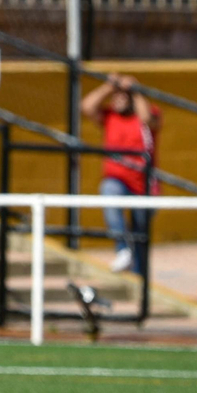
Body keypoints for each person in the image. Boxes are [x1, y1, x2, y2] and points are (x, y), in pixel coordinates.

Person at [81, 73, 160, 274]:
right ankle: (122, 250)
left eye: (122, 96)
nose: (117, 99)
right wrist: (109, 86)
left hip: (144, 185)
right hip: (118, 180)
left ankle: (140, 288)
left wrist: (135, 90)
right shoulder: (110, 117)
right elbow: (87, 107)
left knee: (140, 237)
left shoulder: (146, 115)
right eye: (115, 97)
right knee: (109, 190)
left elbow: (147, 119)